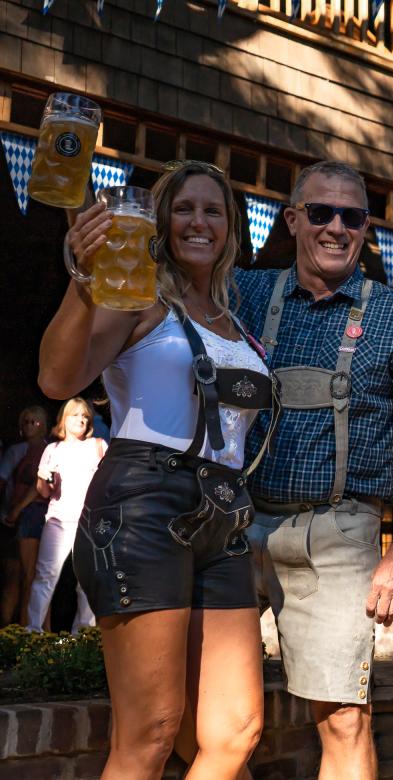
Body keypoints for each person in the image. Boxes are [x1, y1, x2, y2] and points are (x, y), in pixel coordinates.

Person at [38, 160, 275, 778]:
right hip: (143, 502)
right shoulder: (137, 291)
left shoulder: (236, 319)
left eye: (214, 210)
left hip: (224, 514)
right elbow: (58, 379)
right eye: (184, 208)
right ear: (161, 221)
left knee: (235, 732)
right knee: (149, 733)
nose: (199, 221)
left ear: (231, 227)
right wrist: (84, 280)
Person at [236, 160, 393, 780]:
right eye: (320, 212)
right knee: (205, 712)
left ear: (366, 230)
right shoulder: (244, 294)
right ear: (292, 220)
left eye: (352, 217)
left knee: (342, 719)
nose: (336, 227)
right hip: (234, 524)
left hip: (337, 535)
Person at [25, 398, 105, 633]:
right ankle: (32, 632)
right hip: (58, 522)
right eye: (75, 415)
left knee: (86, 581)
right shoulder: (53, 449)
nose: (81, 420)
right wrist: (42, 477)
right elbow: (44, 492)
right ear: (64, 419)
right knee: (45, 577)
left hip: (88, 522)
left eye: (85, 417)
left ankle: (83, 638)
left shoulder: (98, 446)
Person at [0, 406, 49, 625]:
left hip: (38, 514)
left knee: (35, 576)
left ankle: (30, 629)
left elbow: (39, 486)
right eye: (27, 422)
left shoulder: (50, 449)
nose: (30, 426)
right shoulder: (17, 451)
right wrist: (11, 511)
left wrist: (17, 509)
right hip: (16, 517)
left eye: (35, 422)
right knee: (17, 576)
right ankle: (15, 629)